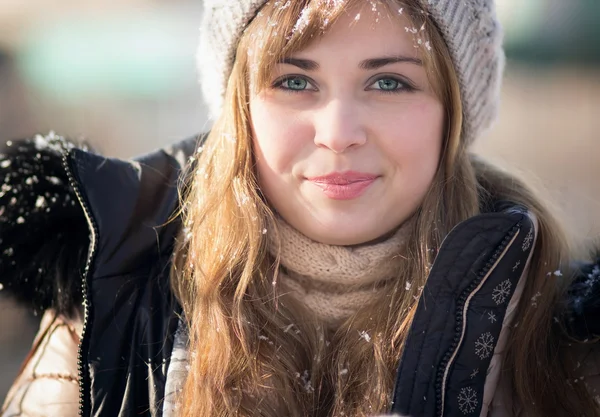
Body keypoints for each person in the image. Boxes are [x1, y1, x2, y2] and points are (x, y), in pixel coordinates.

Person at [1, 0, 600, 416]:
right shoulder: (109, 315)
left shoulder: (567, 342)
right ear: (241, 110)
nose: (338, 132)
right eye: (294, 81)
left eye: (389, 82)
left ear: (452, 115)